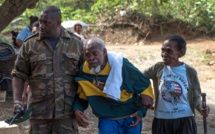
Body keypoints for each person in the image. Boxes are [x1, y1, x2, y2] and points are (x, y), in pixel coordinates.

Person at [12, 6, 84, 134]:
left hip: (67, 113)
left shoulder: (76, 44)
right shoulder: (30, 44)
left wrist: (80, 106)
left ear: (58, 23)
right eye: (40, 21)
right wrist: (17, 100)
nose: (41, 26)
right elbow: (18, 74)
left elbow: (84, 77)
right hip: (39, 113)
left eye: (46, 22)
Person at [73, 37, 153, 134]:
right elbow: (81, 95)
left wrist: (141, 111)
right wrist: (77, 109)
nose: (91, 58)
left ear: (104, 52)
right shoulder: (84, 71)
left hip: (130, 117)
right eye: (87, 55)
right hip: (107, 119)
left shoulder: (121, 65)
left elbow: (144, 85)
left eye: (95, 53)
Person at [143, 35, 210, 134]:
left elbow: (195, 98)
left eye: (169, 51)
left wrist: (201, 108)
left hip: (185, 119)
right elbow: (138, 78)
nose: (164, 54)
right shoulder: (157, 68)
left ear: (181, 53)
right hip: (161, 119)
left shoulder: (190, 72)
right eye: (162, 50)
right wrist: (145, 94)